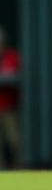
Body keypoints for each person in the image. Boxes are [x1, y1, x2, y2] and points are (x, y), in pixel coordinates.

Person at [0, 28, 20, 169]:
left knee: (14, 139)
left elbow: (18, 76)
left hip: (9, 107)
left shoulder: (12, 56)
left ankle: (19, 166)